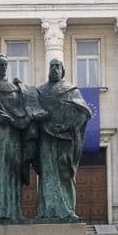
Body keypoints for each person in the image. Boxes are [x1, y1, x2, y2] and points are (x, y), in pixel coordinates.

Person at [0, 55, 45, 224]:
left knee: (14, 175)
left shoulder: (14, 88)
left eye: (5, 65)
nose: (3, 68)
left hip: (14, 139)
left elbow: (24, 111)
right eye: (0, 65)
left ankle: (14, 212)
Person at [33, 58, 92, 222]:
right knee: (47, 174)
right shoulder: (40, 91)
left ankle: (67, 211)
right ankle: (46, 210)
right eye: (51, 66)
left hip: (65, 139)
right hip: (46, 138)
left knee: (65, 173)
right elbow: (32, 110)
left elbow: (83, 113)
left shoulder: (71, 90)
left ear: (62, 70)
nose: (54, 69)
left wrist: (67, 126)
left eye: (57, 66)